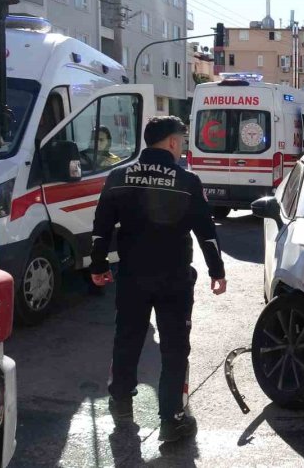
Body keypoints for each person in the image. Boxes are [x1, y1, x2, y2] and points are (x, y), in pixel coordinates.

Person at [89, 116, 227, 443]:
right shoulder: (188, 181)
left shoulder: (118, 176)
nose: (181, 147)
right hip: (174, 279)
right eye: (181, 140)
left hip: (132, 275)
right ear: (171, 142)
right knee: (174, 348)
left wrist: (98, 265)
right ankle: (172, 419)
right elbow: (207, 233)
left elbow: (101, 228)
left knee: (128, 338)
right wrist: (216, 270)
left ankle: (121, 401)